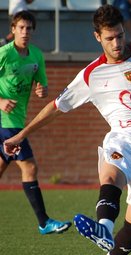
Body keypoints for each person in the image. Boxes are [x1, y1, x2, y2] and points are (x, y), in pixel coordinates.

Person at [3, 4, 131, 254]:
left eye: (120, 35)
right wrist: (22, 134)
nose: (116, 43)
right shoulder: (91, 74)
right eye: (110, 38)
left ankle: (112, 240)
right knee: (111, 175)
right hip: (124, 139)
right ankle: (103, 226)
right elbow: (57, 107)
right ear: (97, 37)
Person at [0, 10, 71, 235]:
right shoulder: (3, 53)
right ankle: (44, 222)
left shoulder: (36, 56)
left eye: (29, 28)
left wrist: (42, 90)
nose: (25, 32)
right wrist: (0, 100)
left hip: (17, 119)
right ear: (12, 30)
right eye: (20, 28)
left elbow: (42, 87)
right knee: (29, 166)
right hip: (5, 120)